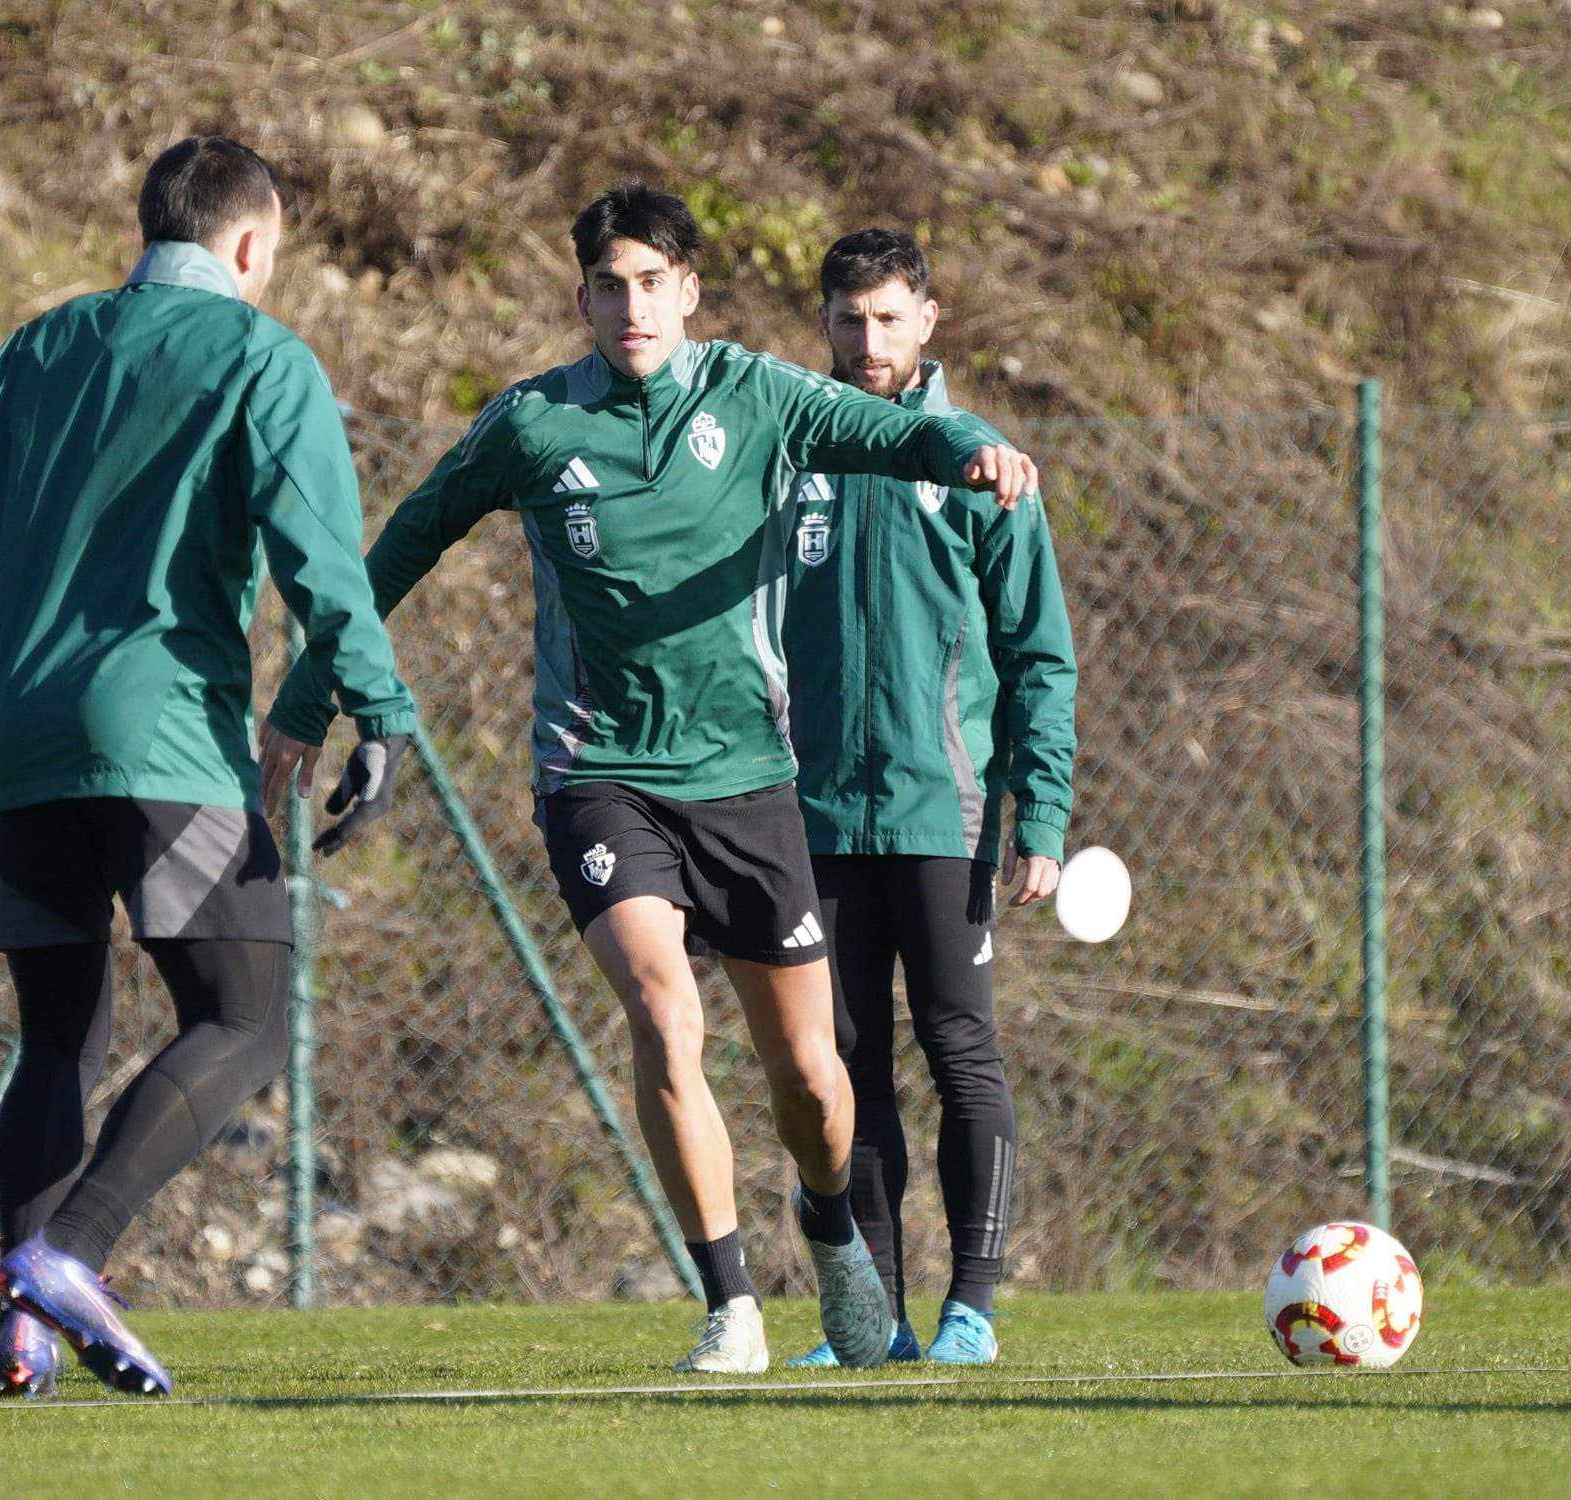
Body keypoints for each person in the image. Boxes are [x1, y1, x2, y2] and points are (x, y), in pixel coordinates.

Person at [314, 183, 1042, 1373]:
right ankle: (730, 1303)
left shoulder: (756, 396)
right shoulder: (534, 423)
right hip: (598, 773)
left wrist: (975, 449)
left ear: (688, 291)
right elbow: (401, 541)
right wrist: (311, 693)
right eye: (609, 285)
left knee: (814, 1078)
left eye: (652, 282)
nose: (630, 304)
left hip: (754, 783)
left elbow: (904, 430)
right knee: (663, 1008)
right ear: (584, 298)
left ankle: (825, 1223)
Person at [0, 136, 414, 1399]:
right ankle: (66, 1258)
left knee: (58, 1037)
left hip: (20, 747)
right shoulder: (258, 356)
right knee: (240, 1017)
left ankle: (19, 1325)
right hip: (165, 740)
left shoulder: (27, 354)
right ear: (247, 246)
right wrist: (378, 710)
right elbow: (319, 560)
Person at [779, 228, 1077, 1368]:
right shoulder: (790, 456)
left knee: (959, 1051)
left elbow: (1038, 657)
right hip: (809, 820)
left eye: (889, 318)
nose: (867, 343)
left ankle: (972, 1310)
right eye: (848, 320)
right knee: (840, 1071)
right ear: (823, 323)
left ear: (928, 321)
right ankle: (877, 1325)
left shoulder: (985, 467)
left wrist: (1037, 815)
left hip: (941, 818)